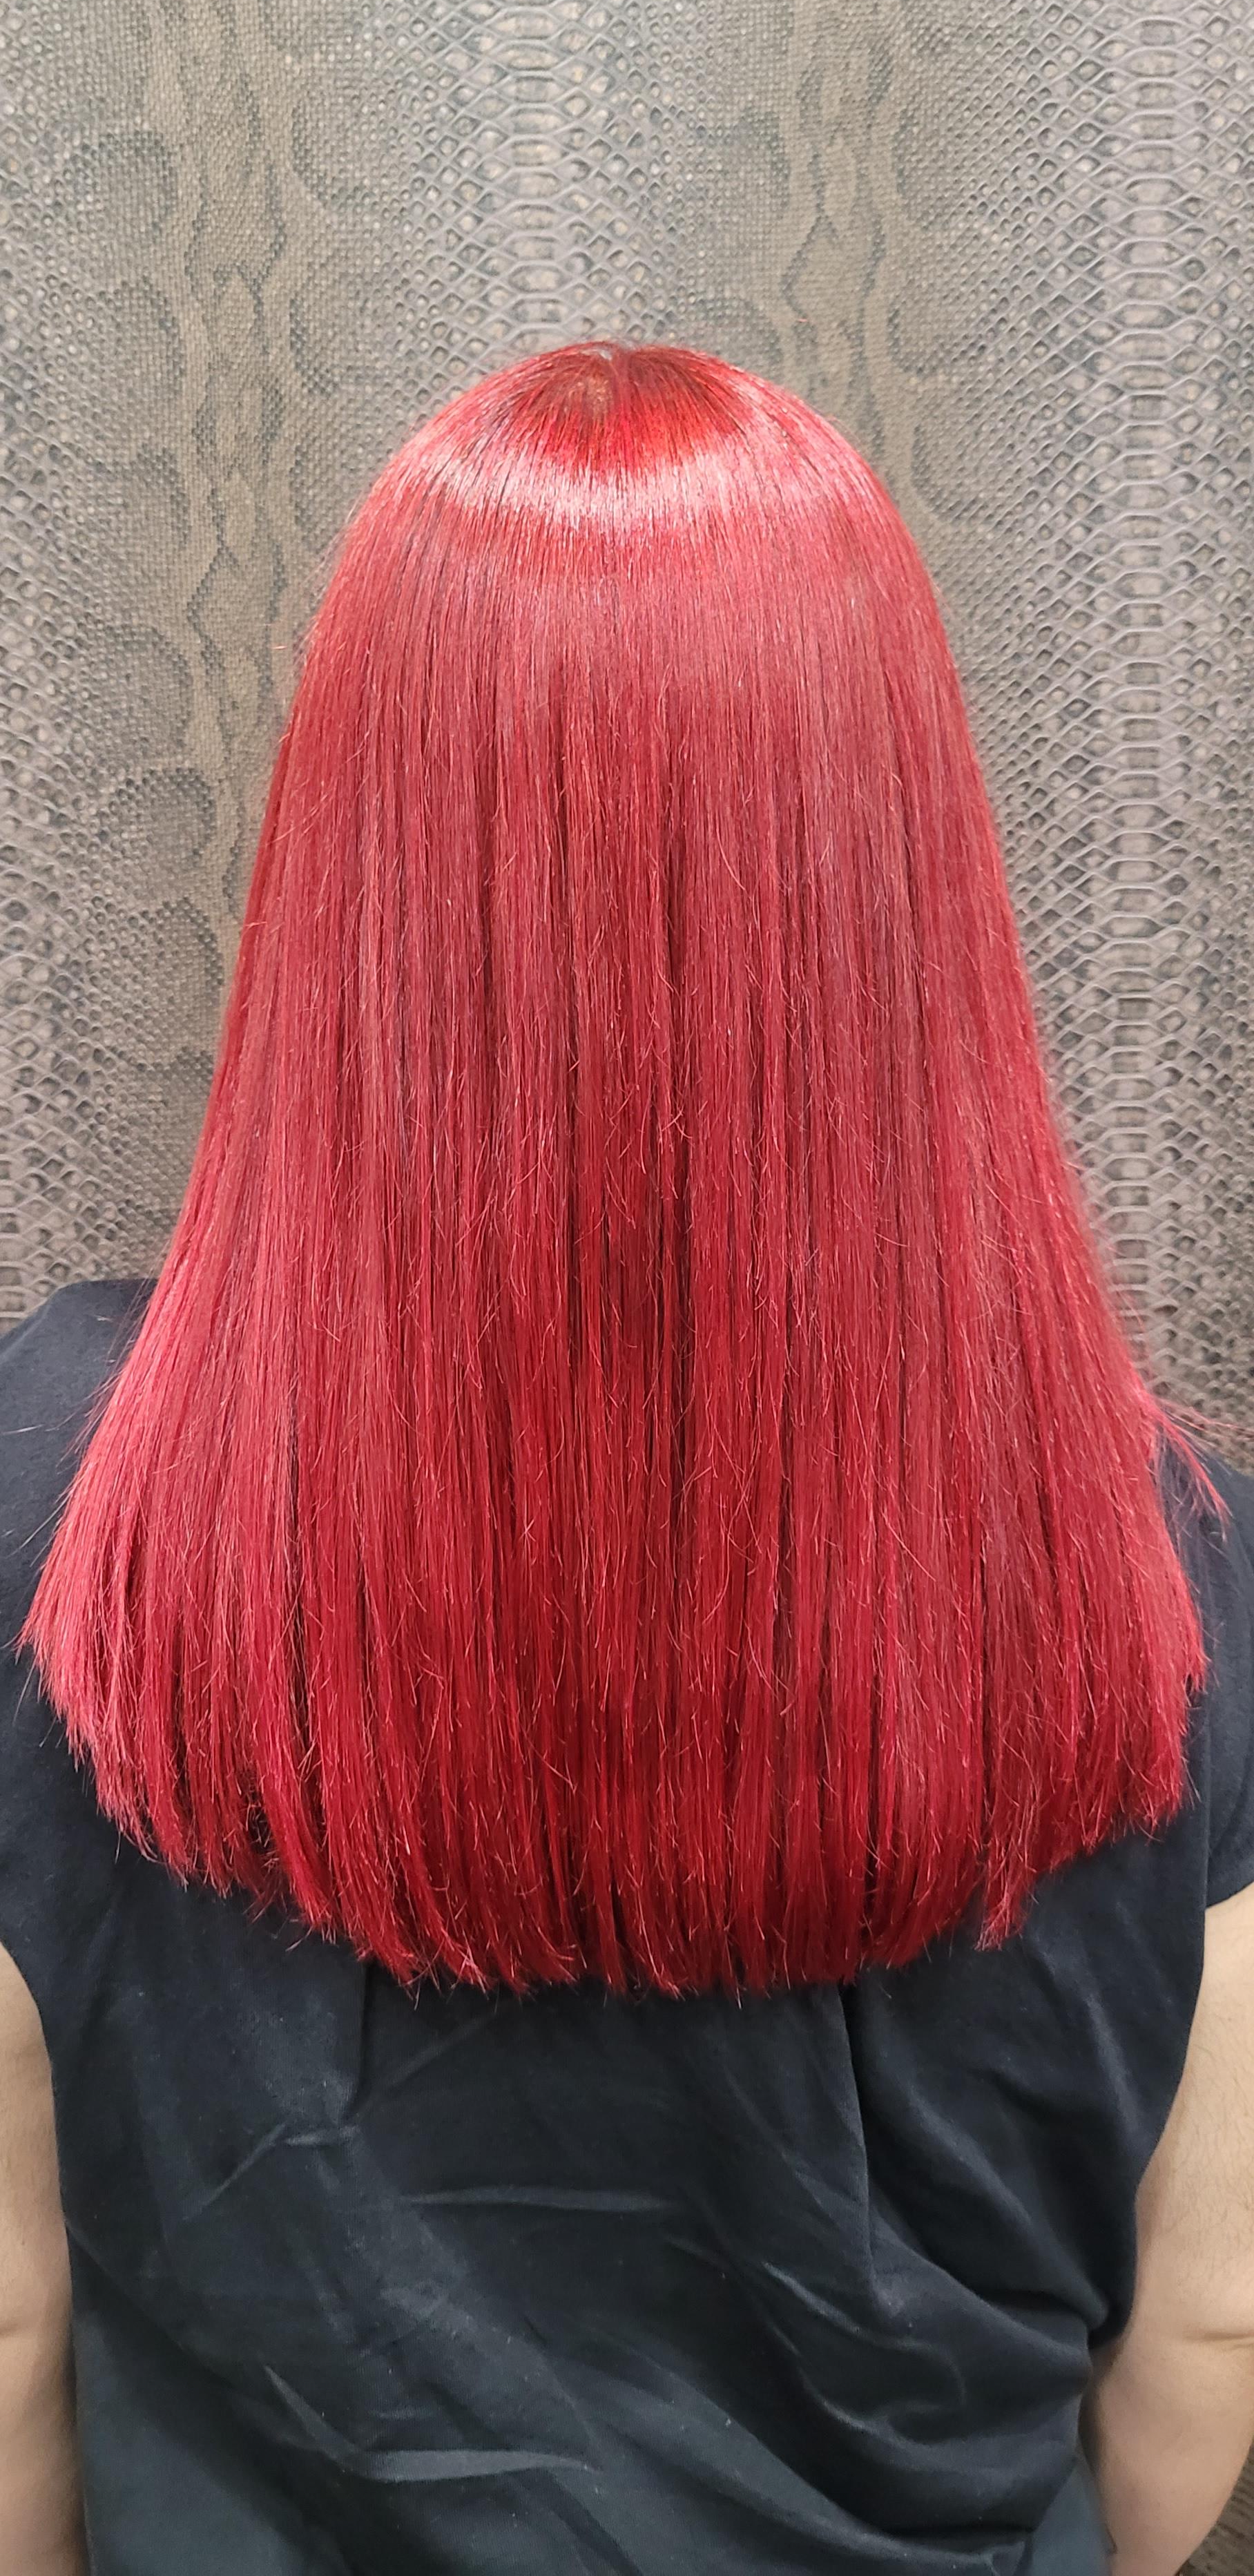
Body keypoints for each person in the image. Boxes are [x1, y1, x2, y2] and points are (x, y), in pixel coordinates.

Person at [1, 338, 1253, 2576]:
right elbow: (1211, 2324)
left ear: (355, 866)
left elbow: (5, 2316)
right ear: (890, 878)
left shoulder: (61, 1489)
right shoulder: (1165, 1569)